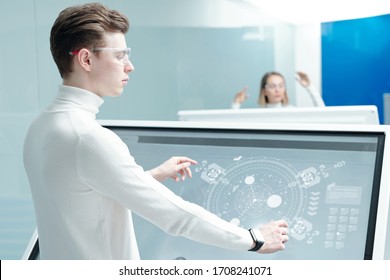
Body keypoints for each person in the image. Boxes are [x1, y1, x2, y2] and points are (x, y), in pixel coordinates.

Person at [23, 3, 288, 260]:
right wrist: (253, 239)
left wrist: (150, 177)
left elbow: (83, 196)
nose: (130, 66)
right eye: (120, 55)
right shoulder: (89, 139)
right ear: (86, 59)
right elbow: (176, 217)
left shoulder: (41, 128)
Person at [232, 71, 325, 109]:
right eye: (272, 86)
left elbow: (322, 115)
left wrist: (309, 87)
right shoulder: (259, 115)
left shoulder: (292, 111)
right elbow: (233, 128)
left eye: (281, 86)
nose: (277, 90)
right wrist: (236, 104)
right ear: (264, 91)